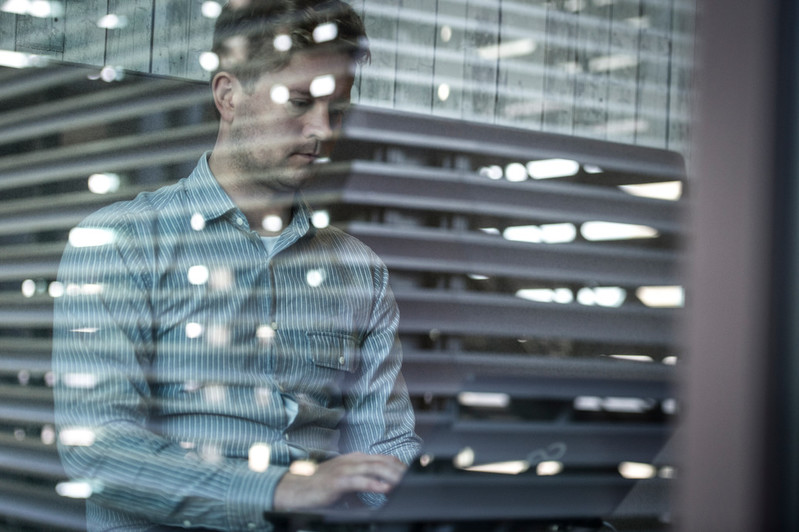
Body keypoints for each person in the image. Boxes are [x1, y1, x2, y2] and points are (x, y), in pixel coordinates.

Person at [51, 1, 422, 530]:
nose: (323, 132)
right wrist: (282, 491)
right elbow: (100, 450)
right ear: (229, 95)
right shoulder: (122, 243)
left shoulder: (359, 272)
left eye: (336, 111)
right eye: (300, 103)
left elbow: (385, 447)